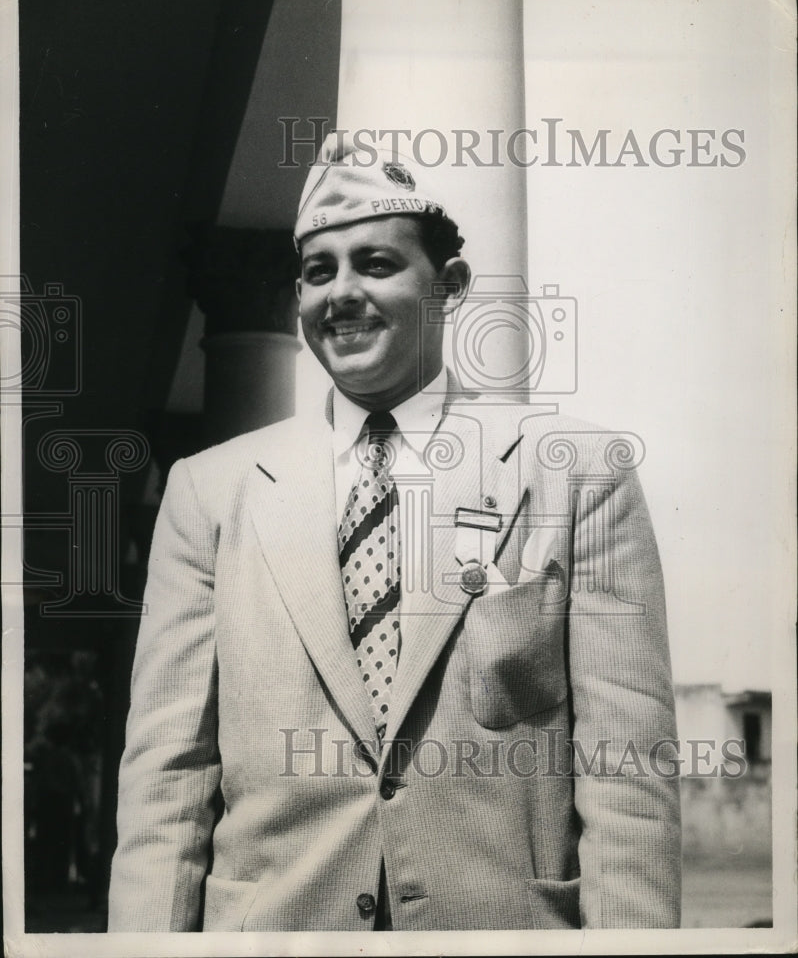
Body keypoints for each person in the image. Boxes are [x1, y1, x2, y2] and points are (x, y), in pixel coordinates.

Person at [108, 140, 681, 932]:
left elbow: (627, 777)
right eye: (318, 272)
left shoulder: (578, 475)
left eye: (375, 264)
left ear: (448, 287)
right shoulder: (211, 490)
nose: (341, 294)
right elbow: (166, 780)